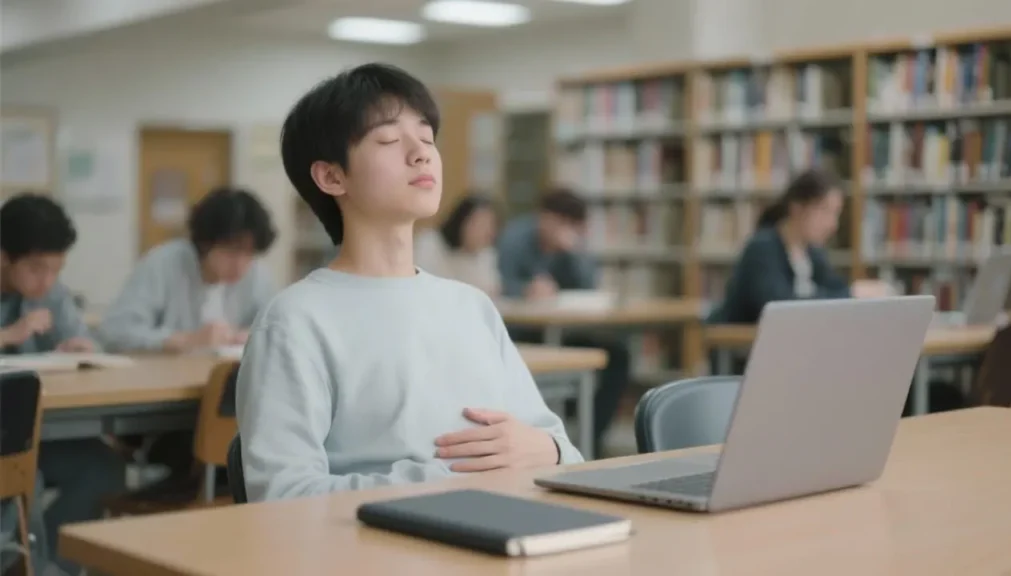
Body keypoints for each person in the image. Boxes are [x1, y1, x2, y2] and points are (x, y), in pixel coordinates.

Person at [236, 62, 582, 502]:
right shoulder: (295, 321)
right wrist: (455, 478)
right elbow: (281, 497)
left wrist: (545, 449)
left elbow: (567, 454)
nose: (421, 153)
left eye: (427, 138)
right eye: (387, 139)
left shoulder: (470, 306)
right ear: (331, 176)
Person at [0, 193, 126, 574]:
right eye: (37, 269)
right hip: (7, 435)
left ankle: (52, 564)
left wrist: (82, 347)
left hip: (42, 427)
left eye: (57, 269)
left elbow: (86, 342)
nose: (48, 280)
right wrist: (9, 334)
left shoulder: (50, 291)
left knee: (103, 469)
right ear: (4, 255)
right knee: (28, 476)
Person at [496, 189, 630, 458]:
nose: (564, 231)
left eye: (572, 226)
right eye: (561, 223)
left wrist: (574, 252)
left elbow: (588, 286)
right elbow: (498, 284)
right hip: (522, 333)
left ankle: (590, 440)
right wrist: (525, 290)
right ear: (545, 217)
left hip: (562, 331)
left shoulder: (570, 247)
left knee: (617, 355)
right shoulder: (516, 238)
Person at [97, 186, 277, 353]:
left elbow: (278, 327)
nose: (241, 264)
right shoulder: (163, 265)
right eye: (231, 251)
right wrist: (186, 340)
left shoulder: (257, 276)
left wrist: (252, 337)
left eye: (250, 253)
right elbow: (115, 332)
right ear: (206, 243)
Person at [709, 169, 891, 327]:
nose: (833, 225)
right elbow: (779, 308)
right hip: (741, 353)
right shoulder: (762, 249)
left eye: (836, 214)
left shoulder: (812, 254)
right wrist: (852, 294)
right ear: (797, 208)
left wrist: (861, 294)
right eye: (825, 211)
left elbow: (836, 290)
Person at [414, 193, 501, 295]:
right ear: (461, 221)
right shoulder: (431, 244)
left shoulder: (486, 254)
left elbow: (491, 291)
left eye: (490, 225)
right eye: (480, 224)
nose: (486, 231)